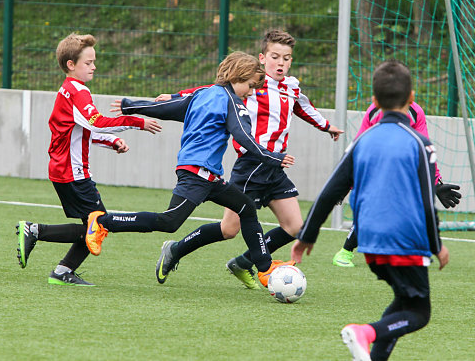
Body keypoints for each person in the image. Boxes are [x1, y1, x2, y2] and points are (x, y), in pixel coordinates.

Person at [132, 30, 344, 289]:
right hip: (251, 166)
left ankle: (244, 262)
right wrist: (176, 97)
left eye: (286, 58)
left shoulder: (291, 86)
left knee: (294, 226)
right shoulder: (251, 84)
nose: (281, 63)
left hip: (275, 167)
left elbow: (304, 108)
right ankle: (175, 250)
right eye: (275, 57)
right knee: (228, 230)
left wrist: (327, 126)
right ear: (262, 58)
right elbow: (211, 91)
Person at [85, 51, 296, 287]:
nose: (251, 92)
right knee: (169, 222)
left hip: (207, 176)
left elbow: (170, 106)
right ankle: (104, 222)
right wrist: (274, 157)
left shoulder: (202, 93)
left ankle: (265, 269)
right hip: (198, 173)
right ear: (240, 76)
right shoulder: (233, 103)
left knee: (246, 208)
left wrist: (131, 106)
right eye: (250, 86)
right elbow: (245, 137)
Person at [291, 59, 450, 361]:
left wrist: (307, 235)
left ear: (374, 102)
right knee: (419, 312)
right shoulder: (421, 143)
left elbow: (330, 192)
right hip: (405, 241)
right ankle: (365, 332)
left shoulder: (361, 141)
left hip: (369, 242)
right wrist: (437, 245)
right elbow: (427, 202)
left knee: (404, 302)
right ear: (412, 98)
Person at [15, 33, 161, 286]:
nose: (94, 67)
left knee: (93, 228)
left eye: (94, 62)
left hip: (64, 170)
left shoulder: (68, 90)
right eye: (88, 63)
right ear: (71, 65)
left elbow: (81, 132)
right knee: (99, 224)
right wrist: (137, 121)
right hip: (73, 173)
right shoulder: (77, 91)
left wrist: (111, 141)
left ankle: (62, 271)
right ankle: (35, 231)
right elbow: (97, 122)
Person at [332, 101, 461, 267]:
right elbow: (359, 147)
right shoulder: (374, 111)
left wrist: (436, 183)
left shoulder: (416, 112)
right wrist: (344, 183)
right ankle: (345, 252)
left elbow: (425, 147)